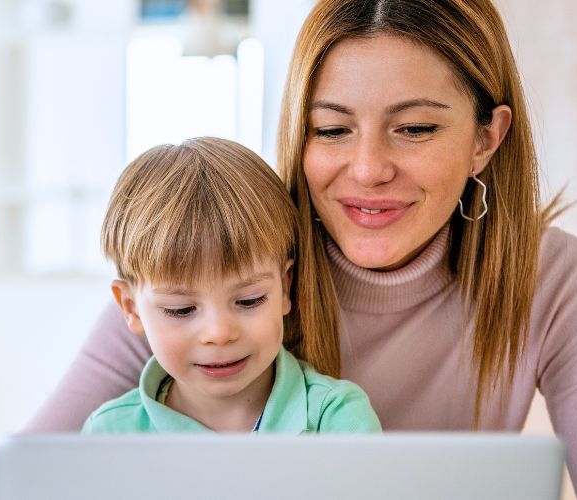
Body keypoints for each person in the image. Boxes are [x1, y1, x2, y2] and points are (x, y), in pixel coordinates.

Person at [0, 0, 577, 498]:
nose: (368, 168)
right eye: (333, 129)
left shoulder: (551, 279)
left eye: (415, 129)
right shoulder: (227, 263)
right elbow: (8, 485)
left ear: (484, 138)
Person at [83, 137, 380, 435]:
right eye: (181, 309)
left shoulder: (336, 418)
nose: (220, 334)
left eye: (250, 300)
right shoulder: (109, 432)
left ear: (285, 288)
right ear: (131, 308)